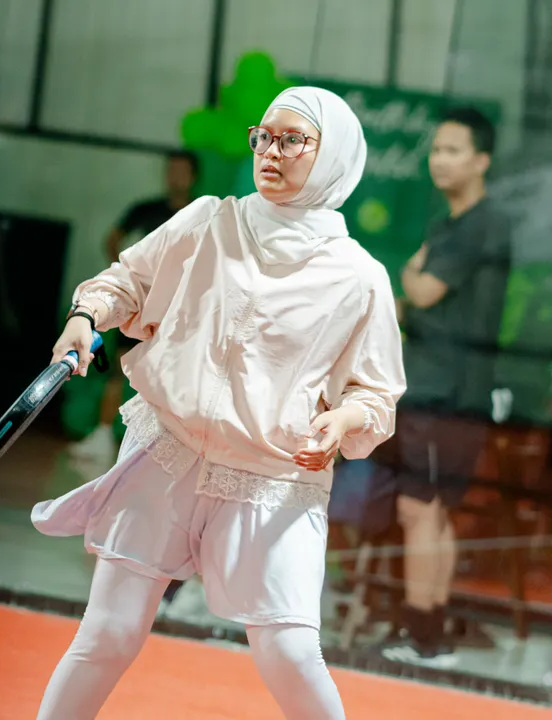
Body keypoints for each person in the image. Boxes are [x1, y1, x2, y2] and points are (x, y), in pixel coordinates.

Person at [32, 86, 406, 720]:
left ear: (334, 155)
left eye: (293, 140)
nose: (271, 151)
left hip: (273, 478)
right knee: (108, 634)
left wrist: (340, 421)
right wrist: (84, 316)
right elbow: (128, 282)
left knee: (291, 654)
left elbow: (375, 394)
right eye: (264, 136)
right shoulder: (208, 220)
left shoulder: (358, 275)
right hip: (166, 450)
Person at [379, 107, 512, 667]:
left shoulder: (477, 223)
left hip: (444, 393)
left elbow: (421, 290)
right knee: (433, 513)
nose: (440, 159)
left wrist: (411, 277)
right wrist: (411, 288)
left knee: (419, 512)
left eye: (453, 150)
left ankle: (423, 636)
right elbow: (416, 296)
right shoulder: (455, 222)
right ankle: (429, 632)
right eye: (436, 149)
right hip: (450, 391)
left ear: (481, 161)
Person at [66, 150, 198, 458]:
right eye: (171, 170)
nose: (175, 177)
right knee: (119, 368)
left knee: (170, 375)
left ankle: (164, 447)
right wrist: (130, 277)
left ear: (193, 176)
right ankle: (102, 435)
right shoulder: (146, 210)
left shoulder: (200, 214)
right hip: (142, 303)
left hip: (179, 309)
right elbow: (112, 238)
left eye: (181, 171)